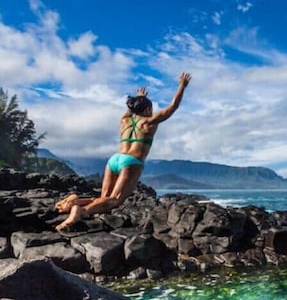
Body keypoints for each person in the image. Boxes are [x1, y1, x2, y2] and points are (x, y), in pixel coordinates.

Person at [55, 72, 192, 231]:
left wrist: (138, 98)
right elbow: (172, 107)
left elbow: (130, 108)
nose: (152, 111)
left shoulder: (125, 121)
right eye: (151, 108)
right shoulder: (148, 123)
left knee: (104, 199)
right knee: (114, 200)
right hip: (131, 162)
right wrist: (182, 86)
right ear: (147, 109)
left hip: (114, 160)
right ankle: (81, 211)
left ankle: (75, 202)